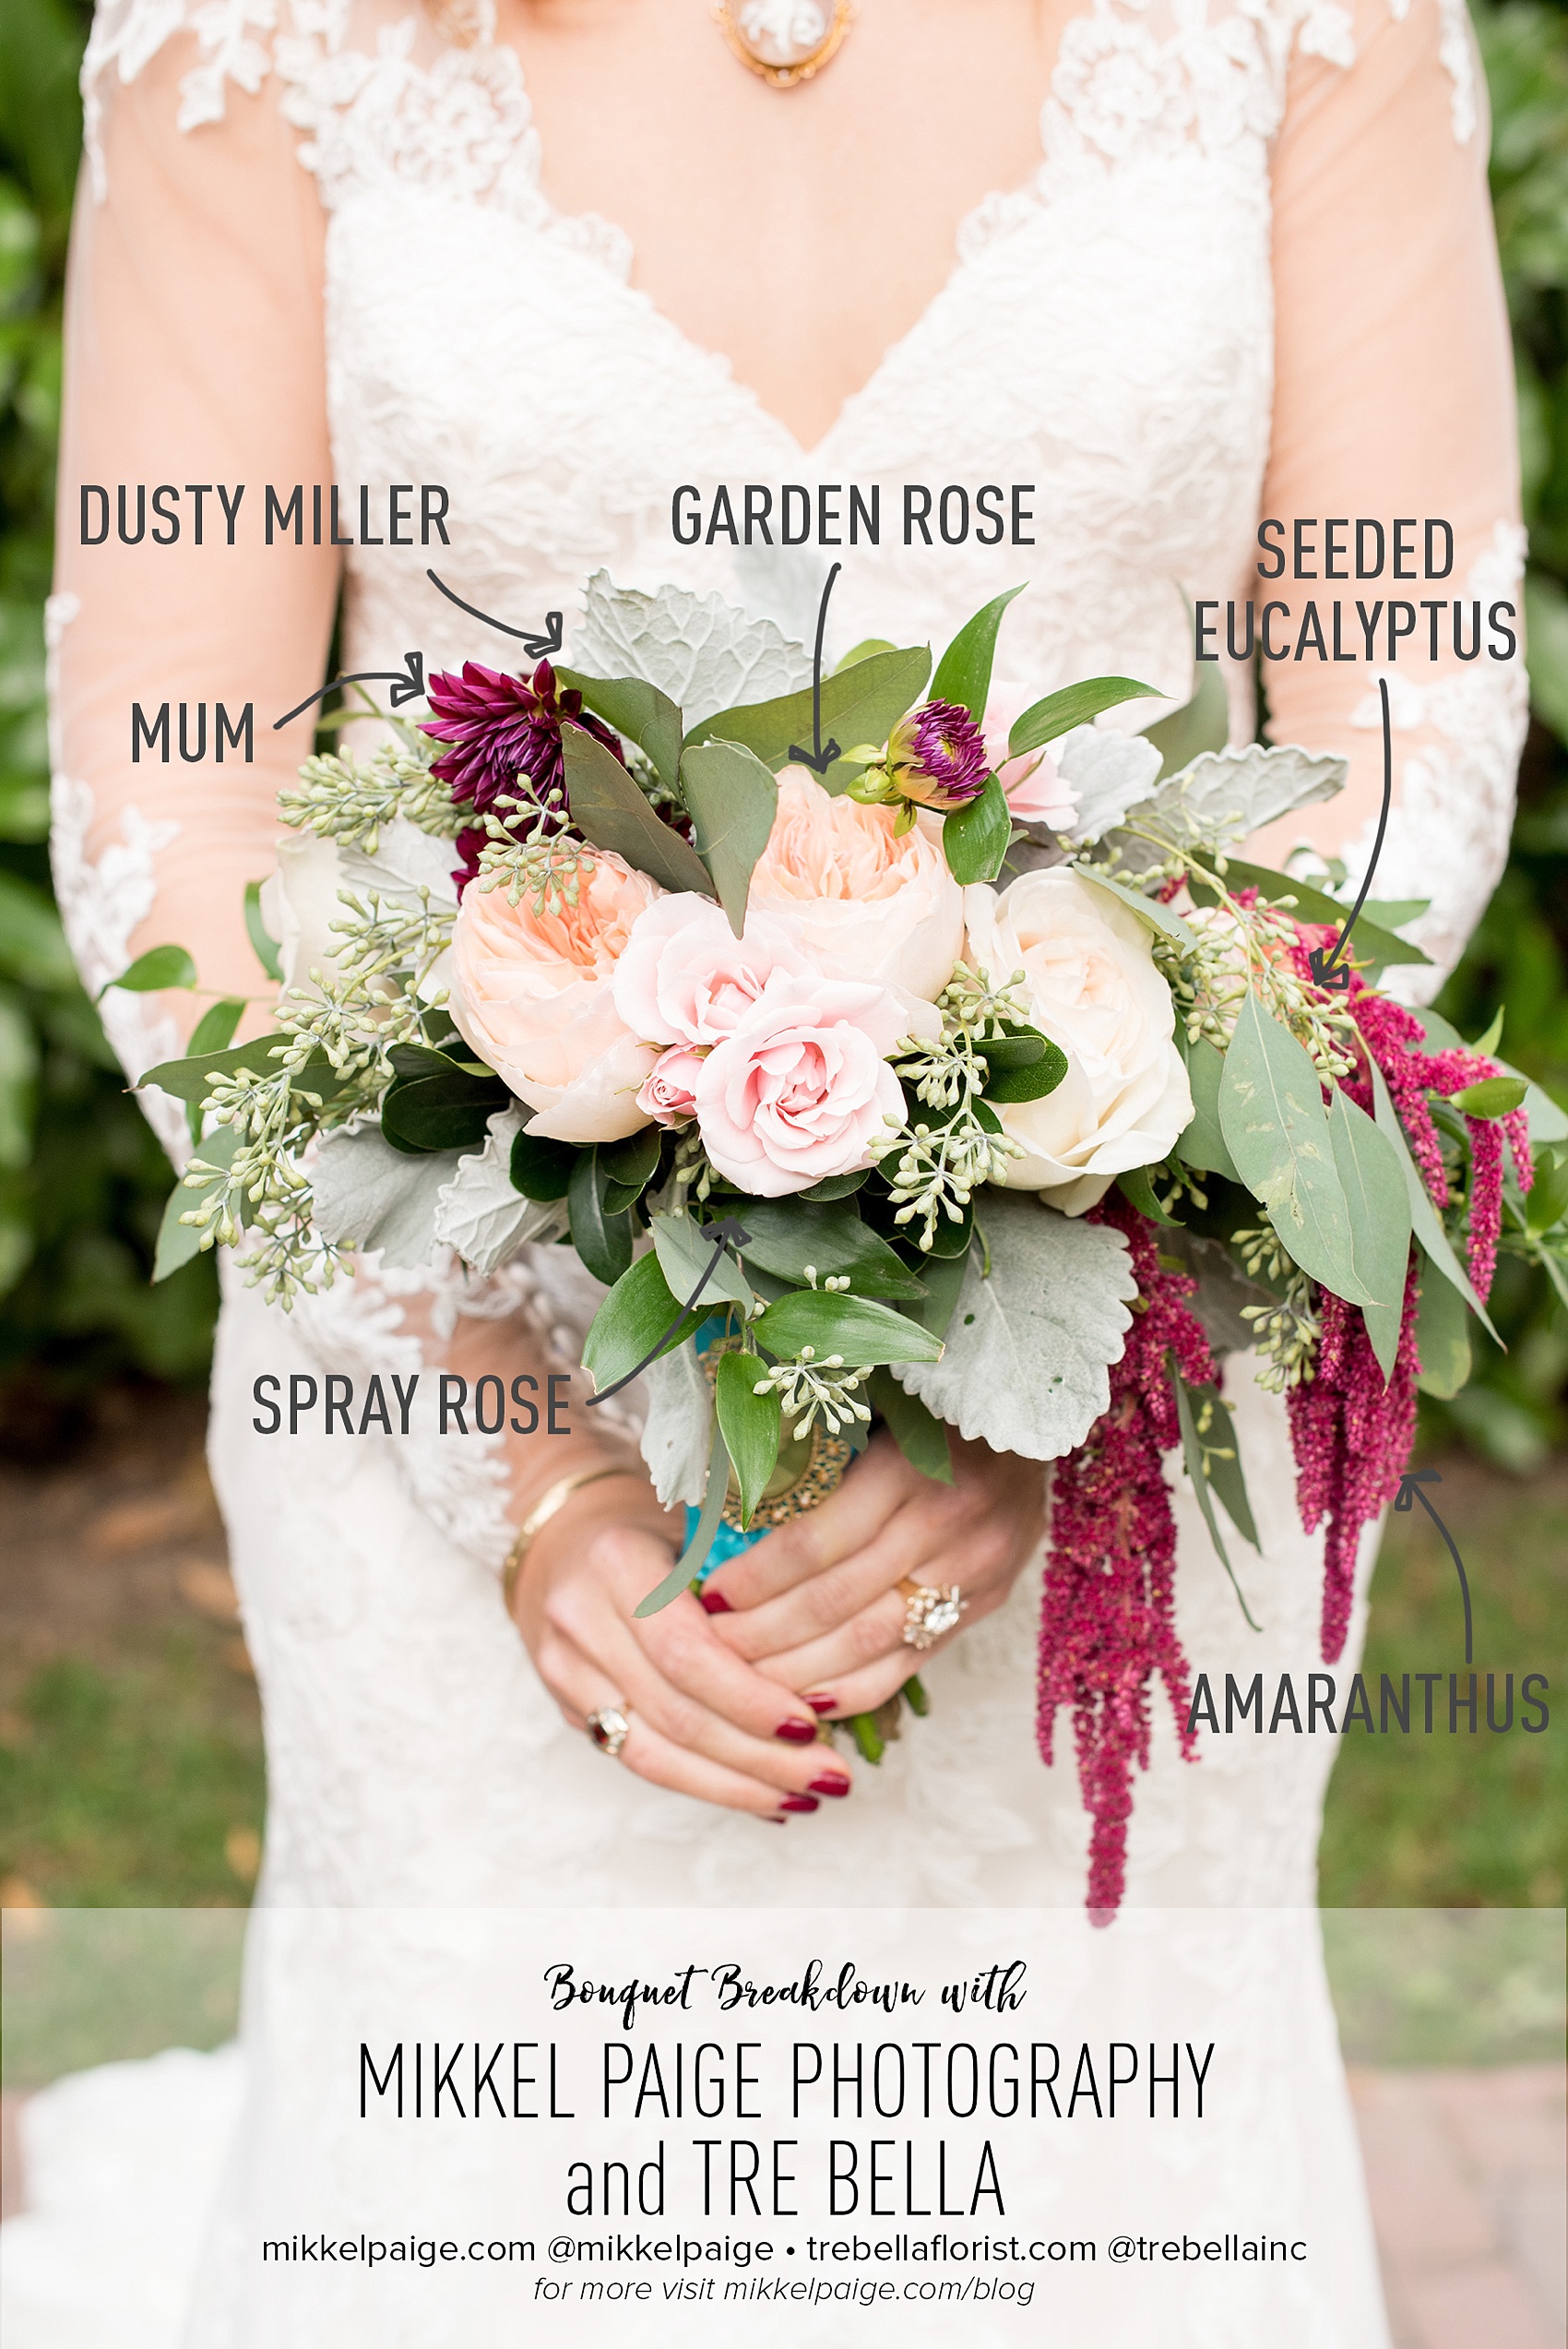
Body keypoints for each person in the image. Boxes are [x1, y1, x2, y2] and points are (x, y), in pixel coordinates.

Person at [27, 0, 1524, 2339]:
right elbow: (181, 809)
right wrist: (526, 1470)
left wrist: (1047, 1345)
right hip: (453, 1374)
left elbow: (1393, 722)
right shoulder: (253, 36)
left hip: (1111, 1436)